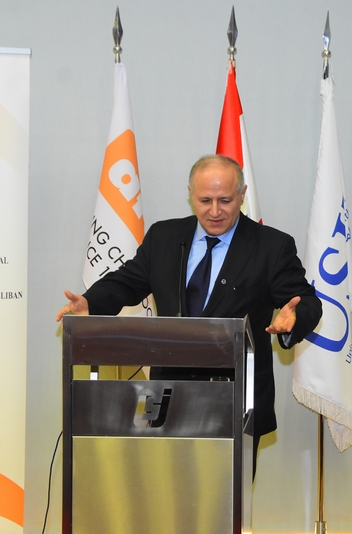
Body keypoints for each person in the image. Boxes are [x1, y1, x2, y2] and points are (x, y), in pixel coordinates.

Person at [56, 154, 322, 464]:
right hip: (166, 394)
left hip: (236, 398)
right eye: (205, 200)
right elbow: (127, 282)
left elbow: (307, 301)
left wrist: (295, 318)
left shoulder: (271, 246)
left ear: (242, 195)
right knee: (161, 485)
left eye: (225, 200)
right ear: (190, 194)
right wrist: (91, 301)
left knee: (226, 491)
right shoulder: (165, 237)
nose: (215, 211)